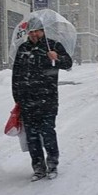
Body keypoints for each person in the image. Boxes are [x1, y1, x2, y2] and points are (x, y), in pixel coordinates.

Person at [12, 17, 73, 181]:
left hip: (48, 99)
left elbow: (68, 64)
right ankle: (38, 167)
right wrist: (17, 96)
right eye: (30, 31)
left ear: (42, 31)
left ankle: (52, 164)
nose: (33, 34)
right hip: (27, 101)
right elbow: (16, 74)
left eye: (36, 31)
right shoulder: (23, 49)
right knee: (32, 137)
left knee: (48, 134)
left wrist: (57, 58)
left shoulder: (52, 46)